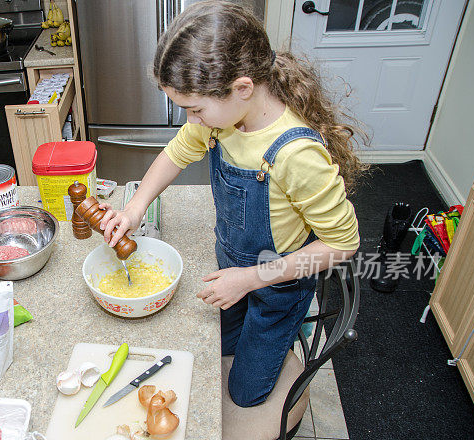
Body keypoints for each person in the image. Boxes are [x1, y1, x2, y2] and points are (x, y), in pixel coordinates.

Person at [100, 0, 361, 408]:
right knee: (212, 353)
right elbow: (175, 153)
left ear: (243, 88)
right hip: (232, 268)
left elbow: (343, 245)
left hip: (279, 285)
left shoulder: (296, 155)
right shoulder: (221, 122)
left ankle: (287, 329)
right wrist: (134, 209)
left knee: (243, 395)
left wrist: (251, 280)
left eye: (195, 109)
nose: (192, 121)